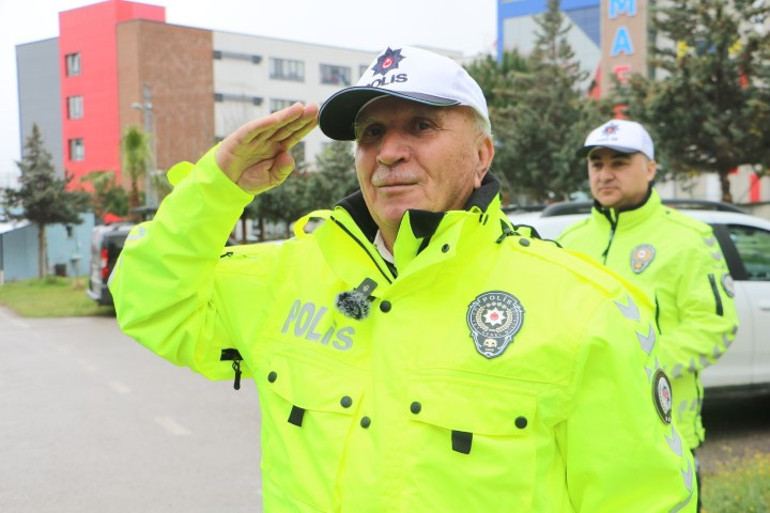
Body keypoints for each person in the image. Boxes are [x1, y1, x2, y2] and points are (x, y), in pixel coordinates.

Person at [111, 46, 697, 512]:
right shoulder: (287, 276)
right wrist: (218, 186)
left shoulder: (583, 307)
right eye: (370, 134)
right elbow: (148, 302)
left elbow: (643, 498)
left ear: (481, 155)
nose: (388, 152)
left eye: (420, 125)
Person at [558, 118, 739, 511]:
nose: (605, 174)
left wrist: (638, 366)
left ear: (651, 168)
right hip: (586, 434)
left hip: (663, 427)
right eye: (596, 163)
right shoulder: (568, 244)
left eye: (619, 163)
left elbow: (714, 326)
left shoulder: (690, 239)